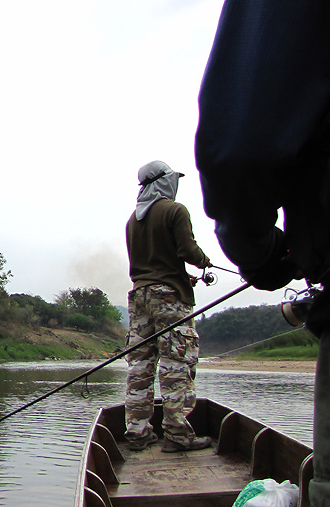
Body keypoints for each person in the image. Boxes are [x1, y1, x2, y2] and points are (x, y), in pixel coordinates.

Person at [195, 2, 330, 502]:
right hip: (169, 299)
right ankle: (174, 425)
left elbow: (240, 143)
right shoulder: (169, 215)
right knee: (174, 367)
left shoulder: (139, 219)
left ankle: (155, 425)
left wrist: (261, 255)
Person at [124, 160, 213, 453]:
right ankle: (176, 435)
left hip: (139, 299)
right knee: (176, 365)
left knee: (140, 366)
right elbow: (186, 250)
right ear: (164, 182)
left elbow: (149, 265)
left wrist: (177, 274)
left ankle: (137, 433)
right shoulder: (175, 210)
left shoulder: (132, 221)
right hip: (170, 300)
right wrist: (204, 261)